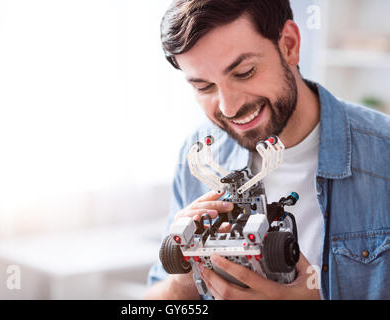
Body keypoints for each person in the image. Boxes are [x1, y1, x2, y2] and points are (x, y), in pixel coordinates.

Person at [145, 0, 390, 300]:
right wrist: (182, 281)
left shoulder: (383, 156)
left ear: (289, 45)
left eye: (245, 72)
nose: (229, 107)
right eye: (204, 87)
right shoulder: (200, 155)